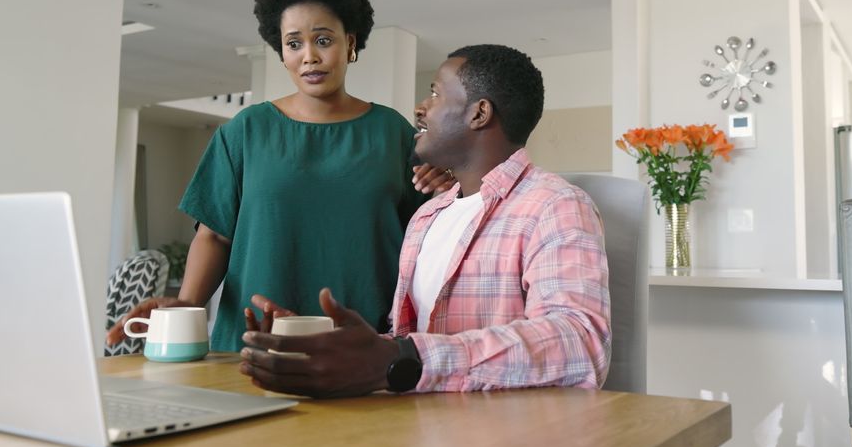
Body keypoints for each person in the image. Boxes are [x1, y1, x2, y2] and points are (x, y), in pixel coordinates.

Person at [106, 0, 452, 352]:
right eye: (294, 43)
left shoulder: (392, 133)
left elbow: (428, 235)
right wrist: (186, 306)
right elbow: (214, 235)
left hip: (362, 347)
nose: (309, 56)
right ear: (282, 52)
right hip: (254, 342)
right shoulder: (246, 130)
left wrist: (450, 189)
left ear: (351, 43)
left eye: (324, 40)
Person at [239, 44, 611, 397]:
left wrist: (404, 359)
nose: (420, 108)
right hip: (417, 426)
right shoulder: (427, 217)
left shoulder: (554, 205)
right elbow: (410, 350)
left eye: (435, 93)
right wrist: (322, 345)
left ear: (479, 113)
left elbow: (580, 342)